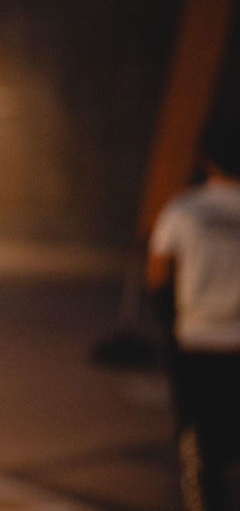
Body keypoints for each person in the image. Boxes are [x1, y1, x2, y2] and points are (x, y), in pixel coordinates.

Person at [148, 120, 240, 510]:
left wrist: (168, 325)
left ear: (206, 160)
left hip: (197, 341)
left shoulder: (183, 208)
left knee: (201, 449)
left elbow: (157, 276)